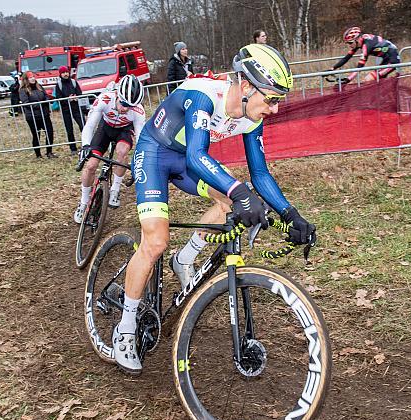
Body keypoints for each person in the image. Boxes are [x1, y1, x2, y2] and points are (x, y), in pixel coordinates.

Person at [113, 44, 316, 374]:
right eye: (273, 98)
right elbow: (196, 155)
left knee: (232, 201)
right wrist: (239, 190)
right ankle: (124, 327)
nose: (275, 109)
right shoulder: (204, 94)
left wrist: (290, 214)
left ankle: (186, 258)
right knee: (155, 242)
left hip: (188, 161)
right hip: (155, 154)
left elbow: (260, 173)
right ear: (247, 86)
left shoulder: (252, 116)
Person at [74, 74, 146, 222]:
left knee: (122, 152)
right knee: (91, 165)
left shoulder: (138, 111)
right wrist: (85, 146)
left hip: (124, 130)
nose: (126, 109)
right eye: (124, 104)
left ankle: (115, 190)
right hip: (105, 128)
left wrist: (139, 160)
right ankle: (83, 202)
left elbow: (140, 139)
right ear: (118, 95)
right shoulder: (105, 99)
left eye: (131, 106)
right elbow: (90, 125)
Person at [330, 27, 401, 84]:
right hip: (386, 60)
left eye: (350, 43)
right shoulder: (360, 41)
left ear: (356, 39)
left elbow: (360, 66)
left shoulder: (366, 45)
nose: (349, 45)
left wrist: (349, 79)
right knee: (372, 82)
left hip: (392, 62)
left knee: (368, 79)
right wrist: (332, 68)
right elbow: (346, 58)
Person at [19, 71, 56, 158]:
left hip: (44, 114)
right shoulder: (23, 90)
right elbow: (25, 102)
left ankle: (49, 152)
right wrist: (38, 104)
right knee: (36, 135)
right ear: (26, 79)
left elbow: (45, 95)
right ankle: (38, 154)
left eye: (33, 77)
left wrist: (47, 100)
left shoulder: (39, 86)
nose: (33, 78)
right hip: (32, 116)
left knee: (49, 132)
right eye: (30, 77)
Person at [54, 65, 86, 156]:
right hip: (66, 110)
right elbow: (58, 98)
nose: (65, 74)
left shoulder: (73, 82)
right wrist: (67, 99)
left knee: (83, 126)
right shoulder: (58, 85)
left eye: (66, 72)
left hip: (76, 108)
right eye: (63, 73)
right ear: (60, 74)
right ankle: (73, 148)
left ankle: (86, 144)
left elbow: (80, 93)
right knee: (69, 130)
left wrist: (77, 97)